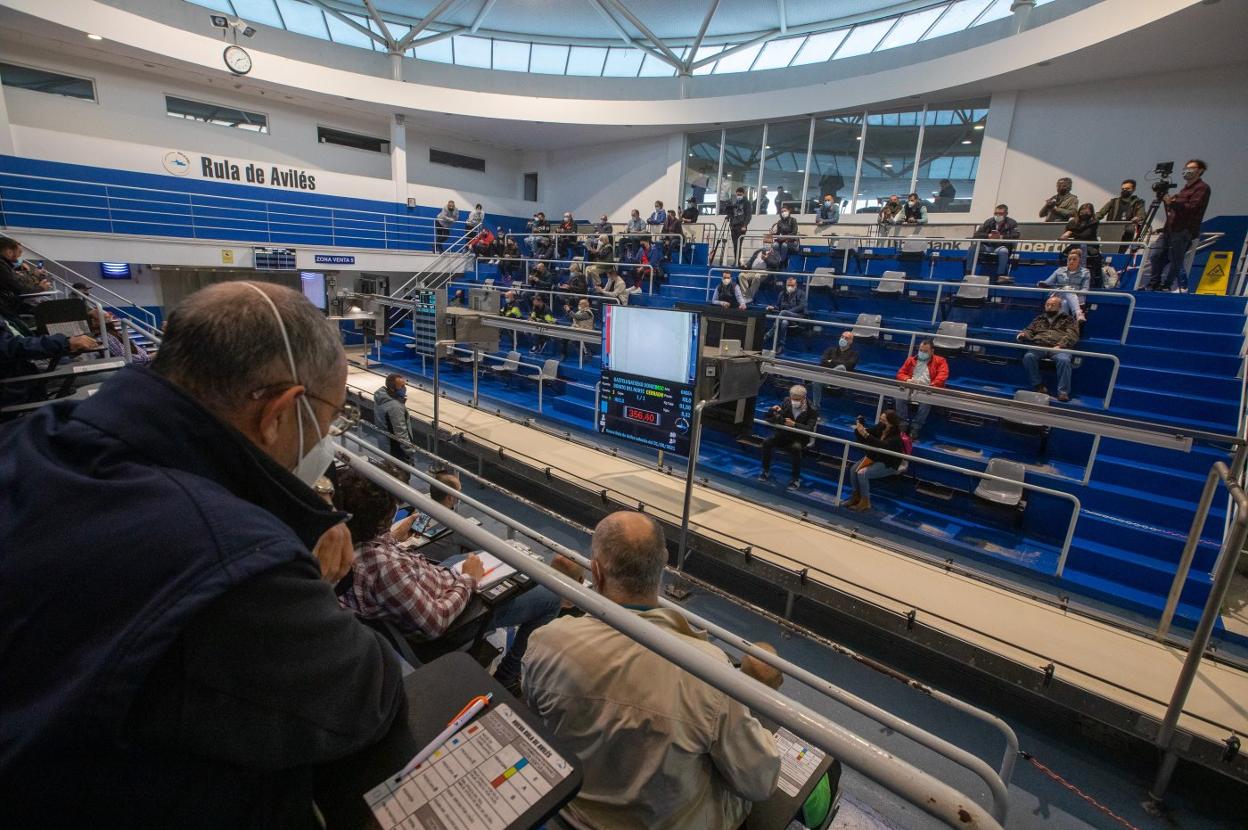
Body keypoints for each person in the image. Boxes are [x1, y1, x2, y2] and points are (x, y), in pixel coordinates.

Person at [0, 282, 404, 826]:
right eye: (326, 422)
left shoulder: (34, 437)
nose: (324, 444)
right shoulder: (238, 562)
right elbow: (364, 695)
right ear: (281, 411)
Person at [523, 511, 781, 830]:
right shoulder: (708, 669)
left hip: (570, 814)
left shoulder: (546, 641)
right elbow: (759, 782)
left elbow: (534, 711)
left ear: (597, 572)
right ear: (663, 565)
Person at [335, 468, 560, 693]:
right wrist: (468, 579)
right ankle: (508, 676)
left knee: (476, 557)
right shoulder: (383, 567)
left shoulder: (347, 543)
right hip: (457, 617)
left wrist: (392, 537)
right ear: (381, 519)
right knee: (550, 598)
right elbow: (436, 622)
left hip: (433, 581)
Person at [2, 301, 98, 410]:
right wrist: (64, 343)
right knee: (111, 377)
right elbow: (12, 347)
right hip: (28, 378)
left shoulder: (7, 311)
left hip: (38, 367)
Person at [1147, 159, 1212, 292]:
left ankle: (1168, 285)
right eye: (1186, 167)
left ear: (1200, 171)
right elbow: (1174, 207)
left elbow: (1192, 207)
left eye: (1191, 168)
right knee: (1156, 254)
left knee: (1175, 258)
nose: (1187, 170)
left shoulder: (1202, 188)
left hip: (1183, 229)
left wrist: (1171, 202)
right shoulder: (1184, 189)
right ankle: (1154, 284)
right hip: (1169, 228)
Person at [1018, 294, 1080, 401]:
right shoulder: (1039, 319)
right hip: (1040, 345)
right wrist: (1024, 334)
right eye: (1047, 305)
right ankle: (1038, 385)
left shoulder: (1068, 319)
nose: (1049, 307)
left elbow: (1073, 335)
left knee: (1064, 360)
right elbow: (1029, 330)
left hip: (1059, 347)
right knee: (1029, 357)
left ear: (1059, 307)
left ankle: (1063, 392)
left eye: (1052, 305)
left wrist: (1061, 345)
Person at [758, 384, 819, 490]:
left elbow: (809, 428)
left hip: (799, 438)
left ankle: (795, 479)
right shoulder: (786, 401)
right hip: (783, 435)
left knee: (796, 448)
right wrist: (773, 411)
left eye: (797, 399)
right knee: (767, 442)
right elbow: (778, 417)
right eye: (793, 399)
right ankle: (765, 471)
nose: (794, 401)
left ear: (804, 398)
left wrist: (794, 425)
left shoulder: (812, 409)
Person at [846, 409, 905, 512]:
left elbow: (882, 445)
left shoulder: (896, 437)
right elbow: (866, 436)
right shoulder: (880, 427)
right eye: (881, 419)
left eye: (883, 420)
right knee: (853, 469)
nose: (881, 422)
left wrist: (866, 435)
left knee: (862, 473)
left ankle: (865, 502)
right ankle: (856, 496)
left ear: (890, 423)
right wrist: (859, 429)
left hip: (888, 463)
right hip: (875, 457)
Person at [894, 340, 948, 439]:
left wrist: (932, 385)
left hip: (928, 389)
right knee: (899, 396)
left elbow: (942, 376)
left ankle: (915, 428)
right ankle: (903, 425)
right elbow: (900, 373)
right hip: (911, 386)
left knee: (925, 402)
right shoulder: (911, 360)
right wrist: (907, 379)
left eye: (925, 351)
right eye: (920, 350)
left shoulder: (940, 361)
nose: (922, 353)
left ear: (932, 351)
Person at [1038, 247, 1090, 323]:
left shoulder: (1085, 272)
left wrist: (1074, 293)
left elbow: (1085, 289)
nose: (1071, 261)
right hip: (1058, 294)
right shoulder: (1060, 270)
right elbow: (1048, 282)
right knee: (1067, 289)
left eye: (1074, 259)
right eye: (1069, 259)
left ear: (1079, 261)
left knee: (1065, 302)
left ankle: (1062, 324)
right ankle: (1078, 313)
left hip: (1077, 296)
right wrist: (1041, 284)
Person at [972, 204, 1021, 282]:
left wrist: (1001, 237)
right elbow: (976, 235)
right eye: (996, 213)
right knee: (973, 248)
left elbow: (1016, 235)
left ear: (1006, 214)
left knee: (1004, 251)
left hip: (1001, 246)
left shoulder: (1012, 223)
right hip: (987, 246)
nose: (998, 215)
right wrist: (988, 235)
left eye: (1000, 214)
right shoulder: (989, 221)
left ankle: (1000, 275)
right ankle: (968, 273)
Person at [1059, 203, 1102, 287]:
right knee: (1064, 254)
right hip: (1076, 244)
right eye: (1082, 210)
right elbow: (1066, 232)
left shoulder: (1094, 221)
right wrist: (1067, 233)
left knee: (1087, 254)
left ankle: (1088, 282)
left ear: (1091, 212)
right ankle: (1065, 279)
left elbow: (1086, 235)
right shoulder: (1073, 221)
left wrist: (1071, 233)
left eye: (1087, 210)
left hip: (1090, 245)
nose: (1084, 212)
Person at [374, 372, 413, 464]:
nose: (404, 389)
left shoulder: (381, 397)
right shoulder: (395, 407)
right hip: (396, 448)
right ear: (392, 388)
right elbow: (401, 432)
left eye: (405, 385)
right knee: (401, 475)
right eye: (402, 386)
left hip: (384, 443)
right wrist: (410, 452)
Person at [765, 276, 807, 354]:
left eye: (792, 285)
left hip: (796, 317)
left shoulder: (801, 293)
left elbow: (802, 306)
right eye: (788, 285)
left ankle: (769, 333)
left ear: (796, 285)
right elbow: (778, 306)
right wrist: (773, 307)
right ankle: (781, 346)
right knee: (784, 323)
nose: (790, 287)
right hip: (784, 317)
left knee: (784, 312)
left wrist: (788, 312)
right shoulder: (782, 293)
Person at [728, 186, 753, 267]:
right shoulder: (735, 203)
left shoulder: (747, 203)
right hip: (734, 226)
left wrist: (745, 225)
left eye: (740, 194)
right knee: (735, 244)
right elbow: (732, 215)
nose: (738, 196)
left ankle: (737, 261)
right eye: (737, 194)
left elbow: (748, 215)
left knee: (738, 244)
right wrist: (731, 224)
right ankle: (736, 261)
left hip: (741, 227)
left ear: (743, 194)